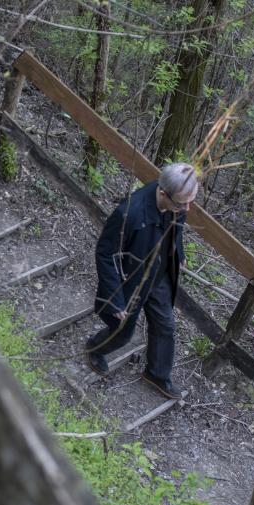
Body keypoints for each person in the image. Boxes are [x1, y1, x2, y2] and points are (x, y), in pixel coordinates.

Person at [86, 162, 198, 399]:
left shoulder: (179, 201)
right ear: (162, 193)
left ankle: (157, 373)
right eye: (181, 203)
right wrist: (115, 298)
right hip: (132, 279)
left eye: (189, 202)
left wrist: (179, 252)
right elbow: (106, 254)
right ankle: (95, 347)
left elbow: (176, 229)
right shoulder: (129, 213)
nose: (187, 207)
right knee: (122, 333)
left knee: (166, 325)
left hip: (159, 275)